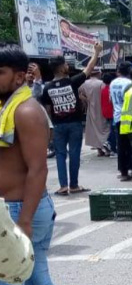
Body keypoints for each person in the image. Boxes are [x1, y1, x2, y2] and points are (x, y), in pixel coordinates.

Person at [0, 45, 83, 285]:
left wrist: (26, 223)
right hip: (20, 210)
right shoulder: (10, 106)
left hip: (22, 211)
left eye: (0, 73)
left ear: (20, 76)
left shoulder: (27, 111)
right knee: (38, 282)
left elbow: (38, 169)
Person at [42, 42, 101, 196]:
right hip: (74, 124)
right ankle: (73, 185)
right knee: (74, 154)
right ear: (61, 67)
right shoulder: (71, 82)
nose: (68, 66)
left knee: (60, 155)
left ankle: (63, 186)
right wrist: (96, 52)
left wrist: (51, 128)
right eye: (66, 64)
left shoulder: (47, 88)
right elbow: (88, 69)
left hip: (58, 125)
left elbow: (48, 111)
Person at [110, 61, 132, 181]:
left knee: (121, 146)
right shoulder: (130, 83)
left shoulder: (113, 83)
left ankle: (123, 172)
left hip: (118, 117)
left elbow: (110, 99)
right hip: (129, 117)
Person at [78, 68, 108, 157]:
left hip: (91, 109)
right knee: (104, 129)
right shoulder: (101, 83)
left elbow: (79, 93)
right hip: (102, 109)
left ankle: (99, 150)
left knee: (93, 129)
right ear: (98, 73)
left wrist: (87, 100)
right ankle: (106, 148)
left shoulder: (84, 83)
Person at [100, 72, 115, 156]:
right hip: (112, 112)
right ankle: (109, 143)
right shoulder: (111, 89)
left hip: (105, 112)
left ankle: (108, 144)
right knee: (113, 131)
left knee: (110, 129)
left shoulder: (103, 89)